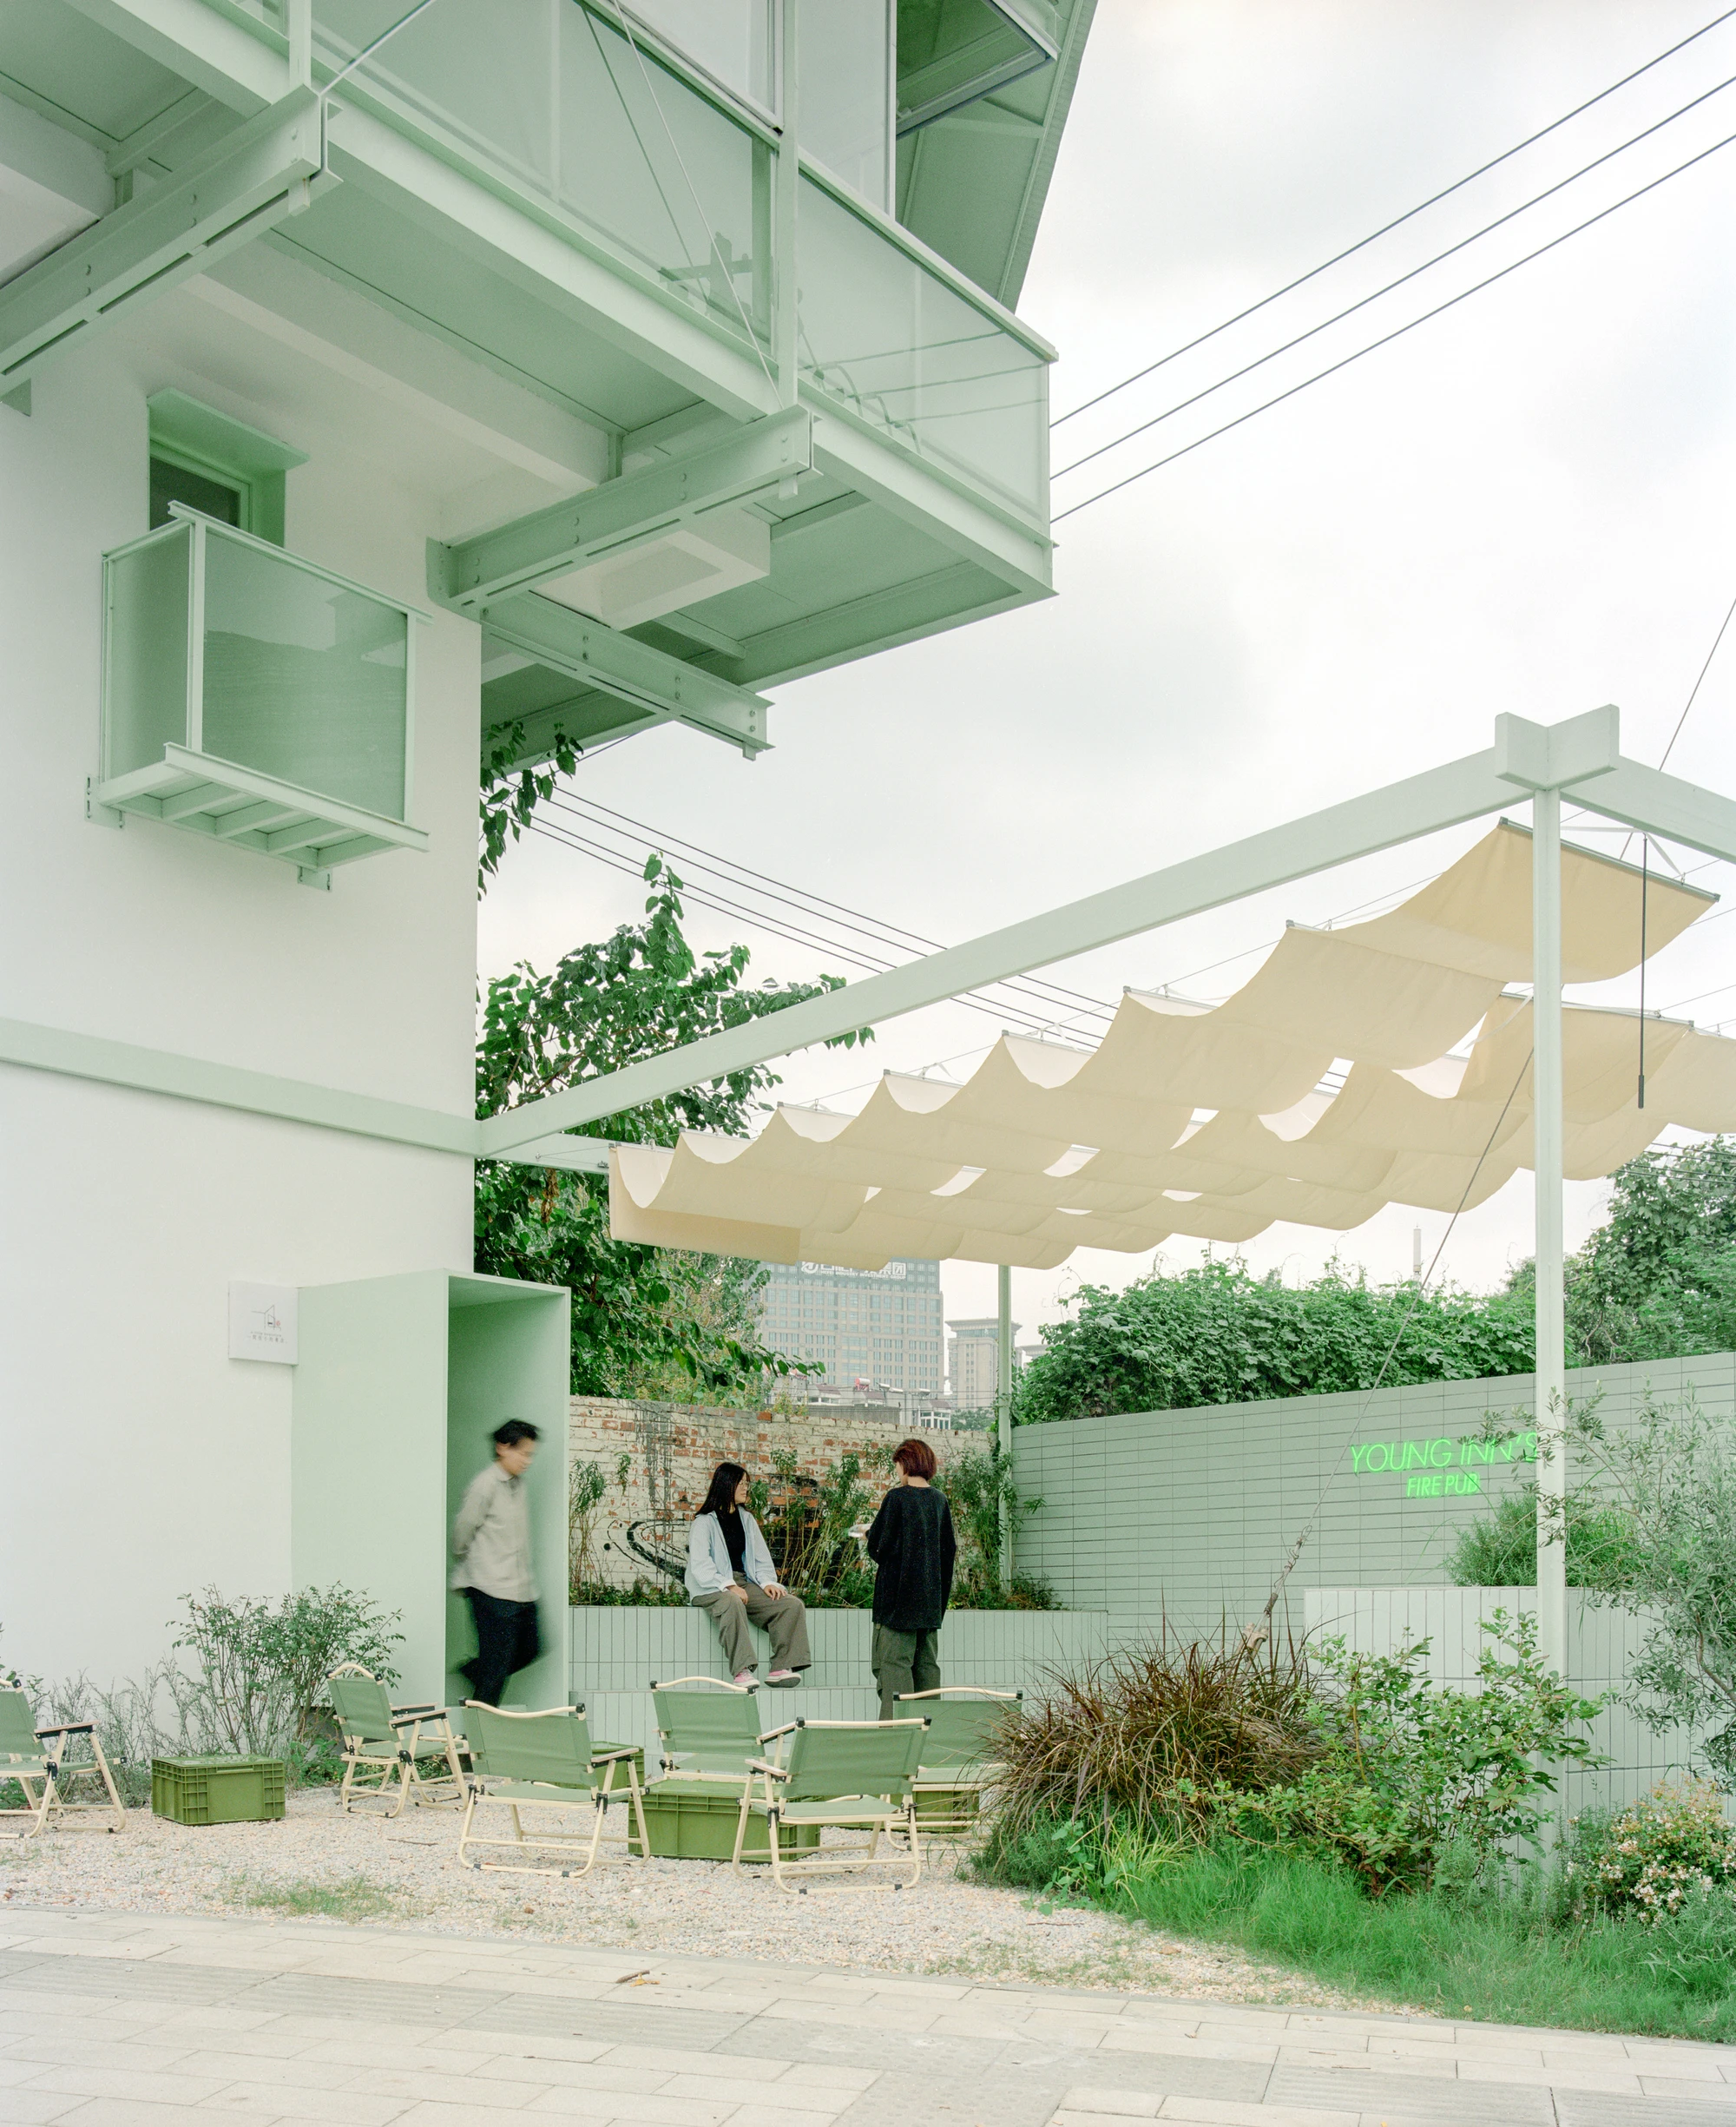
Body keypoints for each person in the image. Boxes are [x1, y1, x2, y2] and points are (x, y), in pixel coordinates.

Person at [687, 1462, 811, 1688]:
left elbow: (760, 1557)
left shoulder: (747, 1519)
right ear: (726, 1485)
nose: (746, 1488)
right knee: (732, 1601)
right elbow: (701, 1565)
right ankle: (742, 1671)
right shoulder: (704, 1522)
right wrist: (728, 1585)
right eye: (741, 1483)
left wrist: (766, 1582)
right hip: (709, 1586)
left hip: (742, 1582)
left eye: (747, 1483)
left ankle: (781, 1668)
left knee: (790, 1605)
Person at [860, 1437, 957, 1720]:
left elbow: (879, 1547)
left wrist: (868, 1534)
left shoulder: (897, 1498)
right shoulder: (940, 1501)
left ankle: (895, 1743)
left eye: (897, 1465)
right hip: (929, 1607)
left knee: (894, 1669)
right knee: (927, 1668)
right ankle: (927, 1738)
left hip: (897, 1604)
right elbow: (948, 1553)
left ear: (905, 1463)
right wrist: (939, 1606)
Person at [452, 1419, 542, 1709]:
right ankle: (478, 1744)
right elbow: (462, 1532)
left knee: (530, 1649)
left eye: (531, 1455)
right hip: (489, 1588)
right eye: (523, 1453)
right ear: (502, 1448)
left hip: (520, 1589)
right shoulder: (485, 1485)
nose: (527, 1461)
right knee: (496, 1670)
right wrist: (476, 1566)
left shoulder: (519, 1486)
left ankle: (473, 1672)